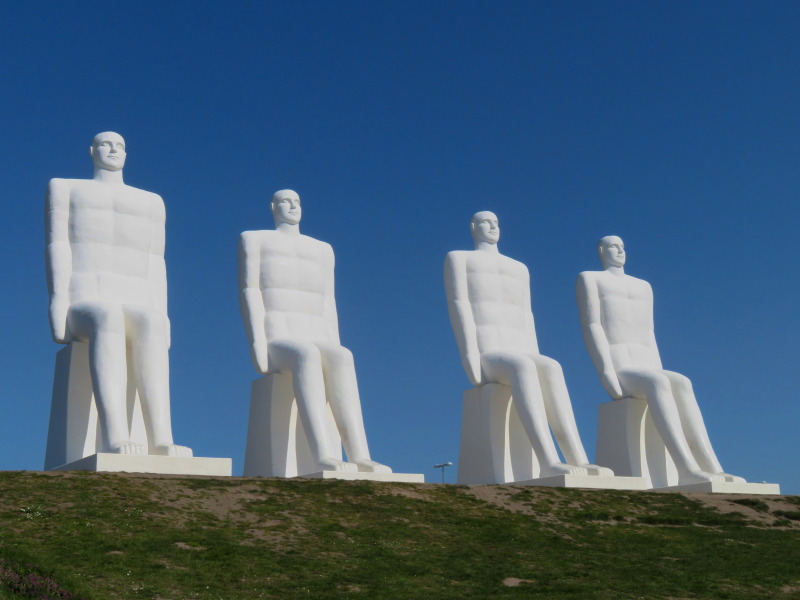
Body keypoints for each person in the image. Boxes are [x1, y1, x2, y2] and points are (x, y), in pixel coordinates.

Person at [45, 132, 191, 457]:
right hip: (86, 298)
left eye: (120, 145)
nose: (113, 150)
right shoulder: (65, 188)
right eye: (106, 144)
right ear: (92, 151)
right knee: (107, 315)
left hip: (135, 297)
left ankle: (161, 438)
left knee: (150, 322)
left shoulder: (151, 202)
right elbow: (58, 246)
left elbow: (157, 262)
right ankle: (114, 434)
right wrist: (57, 301)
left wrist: (164, 313)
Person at [444, 211, 611, 478]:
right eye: (486, 222)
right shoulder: (459, 259)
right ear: (473, 227)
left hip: (520, 349)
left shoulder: (519, 268)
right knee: (522, 366)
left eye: (497, 222)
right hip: (489, 352)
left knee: (551, 366)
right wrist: (469, 354)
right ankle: (547, 460)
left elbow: (526, 314)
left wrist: (535, 353)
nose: (493, 226)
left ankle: (578, 458)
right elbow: (459, 306)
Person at [238, 189, 390, 473]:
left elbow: (328, 302)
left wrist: (334, 342)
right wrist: (257, 341)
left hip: (316, 332)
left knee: (343, 356)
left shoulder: (322, 249)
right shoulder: (255, 239)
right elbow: (250, 291)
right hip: (279, 336)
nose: (293, 206)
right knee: (305, 354)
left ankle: (360, 455)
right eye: (285, 201)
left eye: (297, 202)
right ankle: (324, 453)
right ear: (272, 206)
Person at [577, 235, 743, 485]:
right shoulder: (590, 279)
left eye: (623, 246)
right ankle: (685, 467)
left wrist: (658, 368)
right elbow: (592, 326)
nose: (620, 250)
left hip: (647, 363)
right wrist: (605, 371)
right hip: (622, 365)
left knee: (682, 382)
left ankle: (711, 466)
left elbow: (649, 332)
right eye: (613, 246)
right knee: (658, 383)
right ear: (601, 250)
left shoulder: (643, 286)